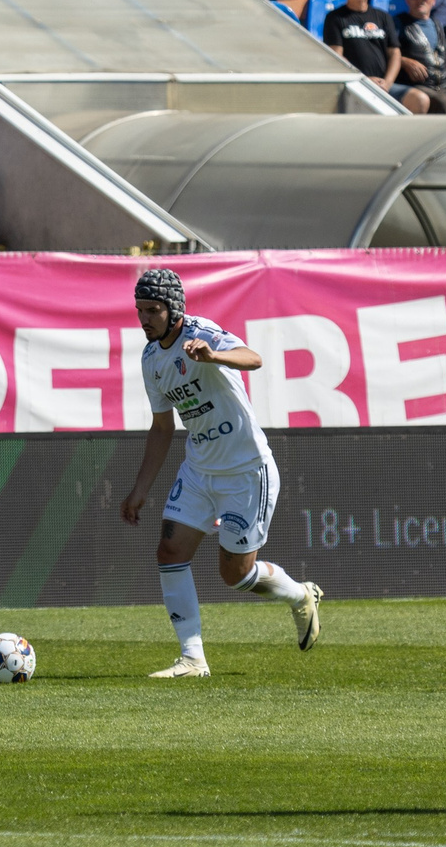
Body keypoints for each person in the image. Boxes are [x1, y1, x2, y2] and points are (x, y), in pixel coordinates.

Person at [117, 265, 323, 679]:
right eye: (139, 310)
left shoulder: (202, 333)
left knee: (235, 573)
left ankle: (300, 595)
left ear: (174, 309)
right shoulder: (151, 359)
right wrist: (140, 489)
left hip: (247, 470)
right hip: (198, 468)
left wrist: (214, 356)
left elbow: (254, 358)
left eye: (153, 310)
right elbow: (162, 427)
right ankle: (192, 659)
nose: (144, 319)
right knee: (169, 551)